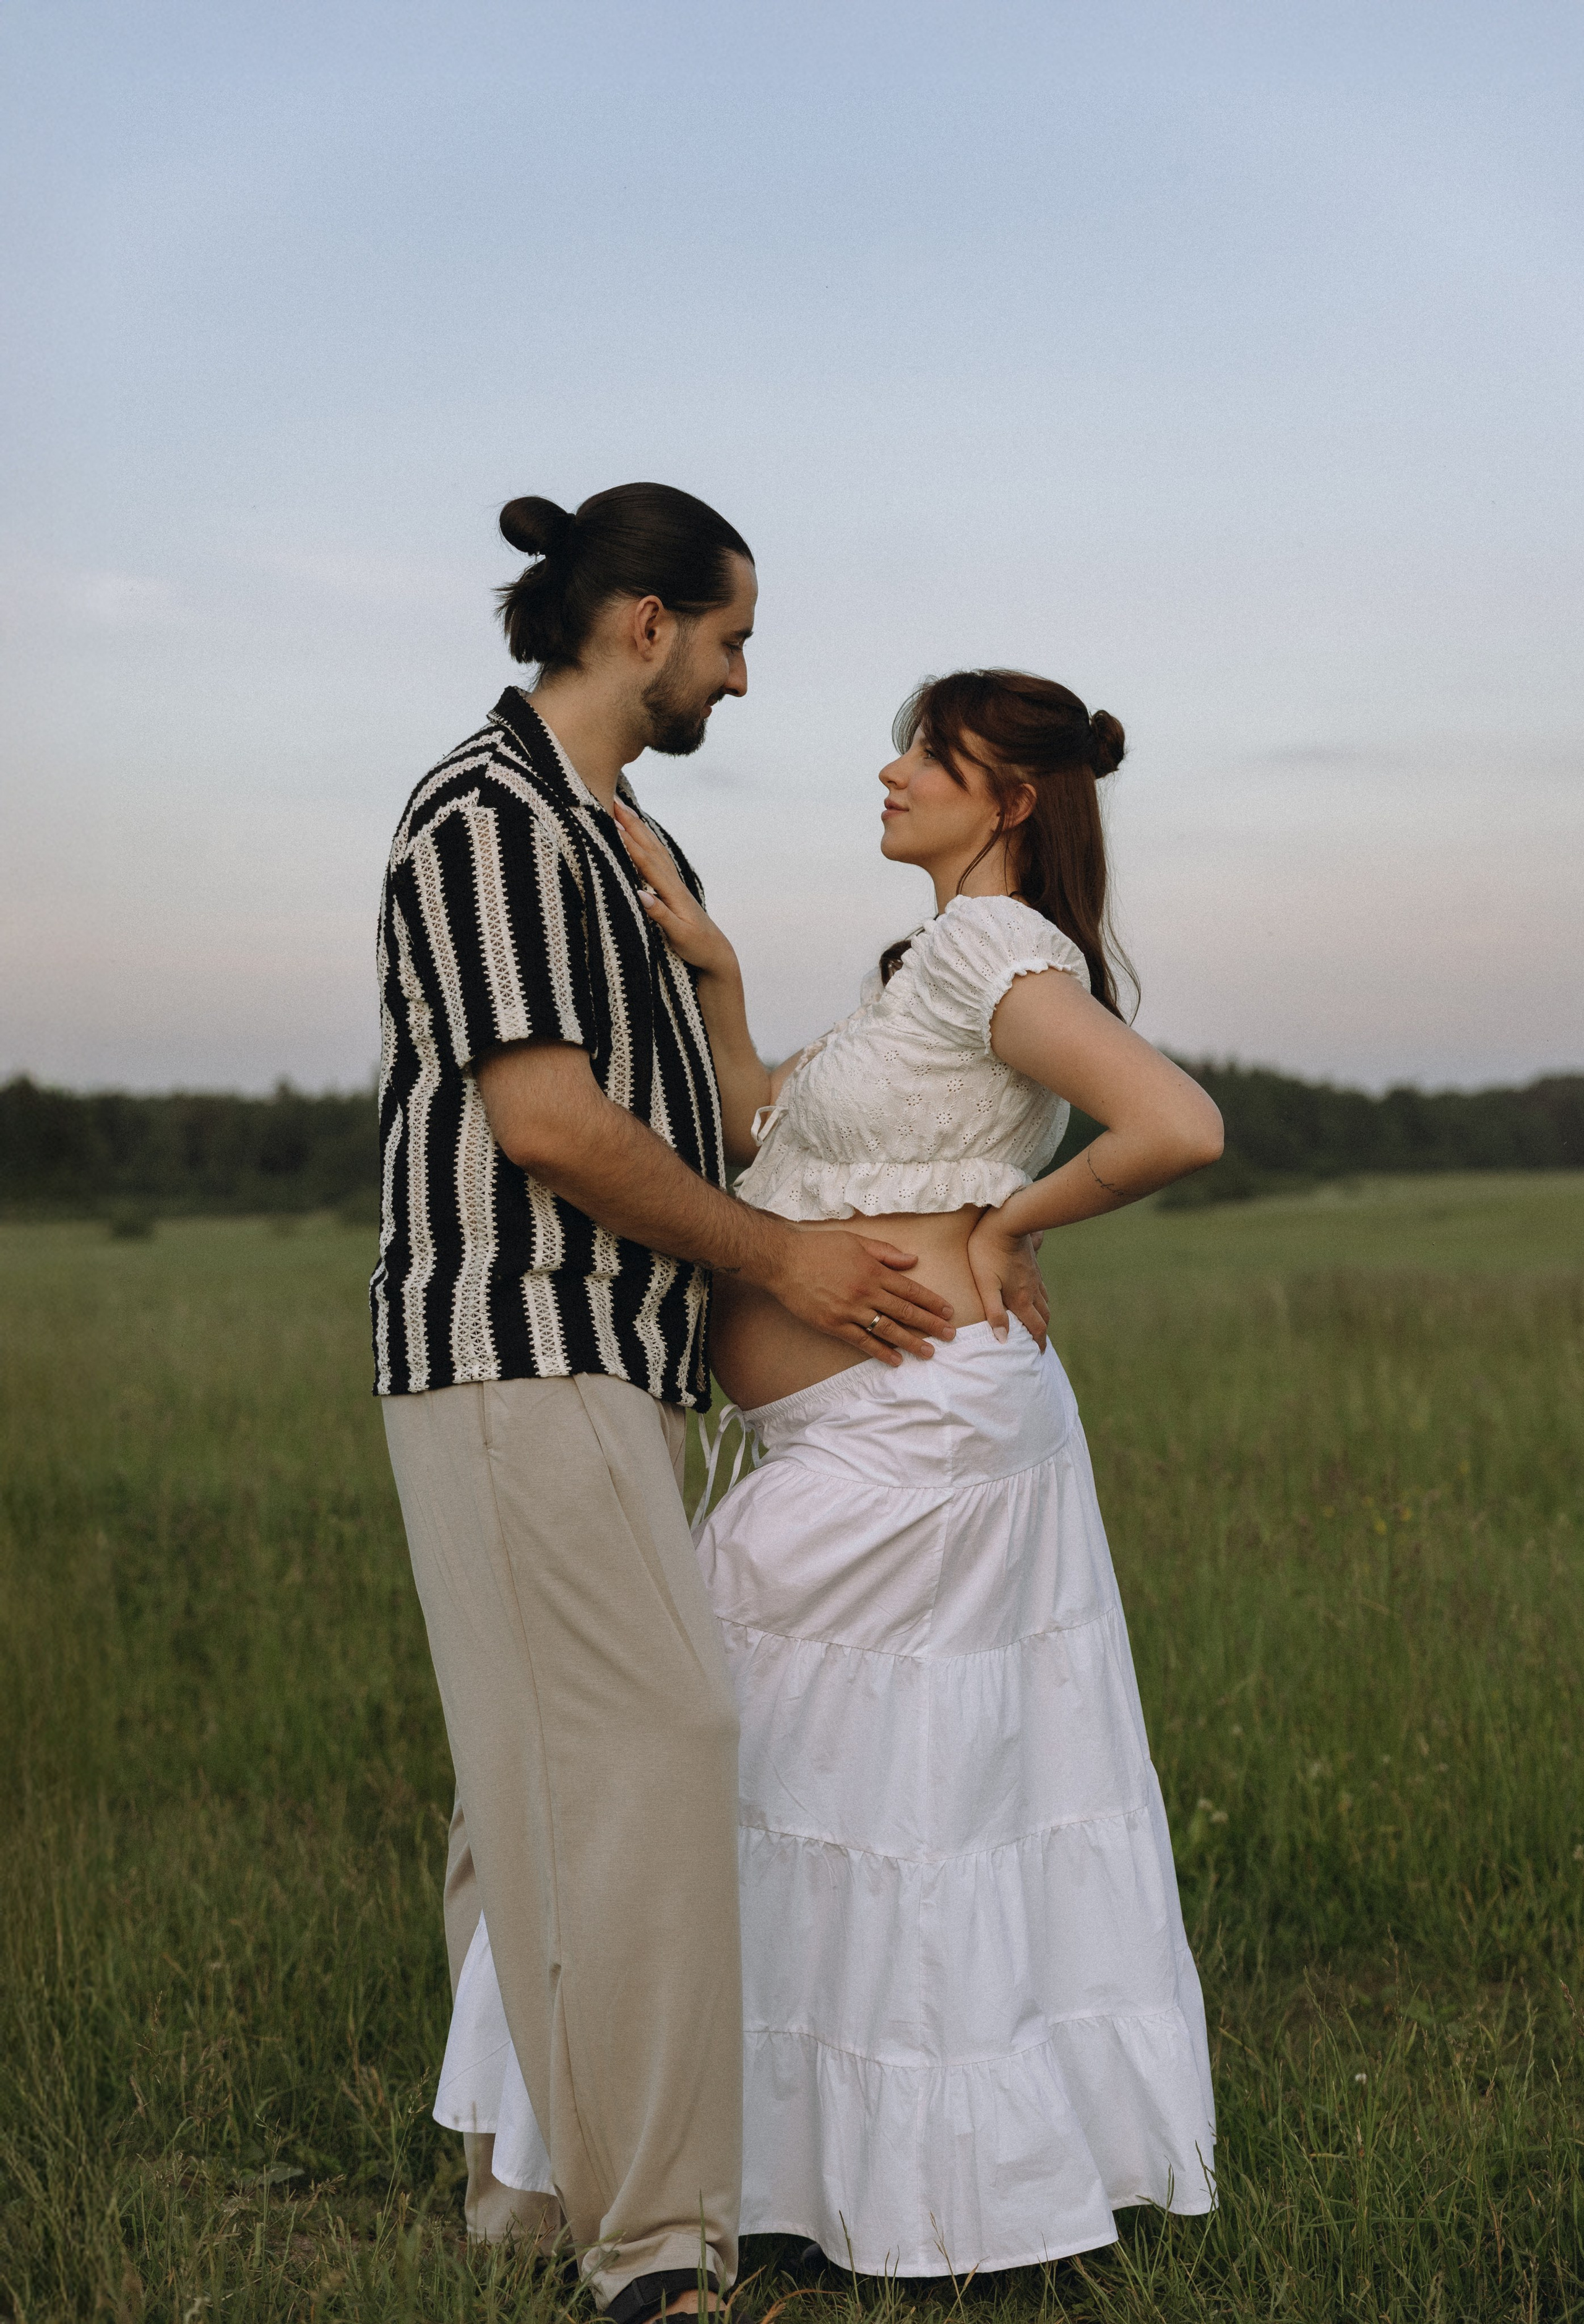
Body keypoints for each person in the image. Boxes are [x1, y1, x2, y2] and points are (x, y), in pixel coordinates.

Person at [442, 664, 1222, 2276]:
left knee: (751, 1755)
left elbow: (1172, 1123)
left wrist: (1009, 1224)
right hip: (875, 1432)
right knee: (845, 1789)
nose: (885, 776)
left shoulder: (1002, 948)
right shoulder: (925, 965)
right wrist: (723, 989)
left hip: (921, 1434)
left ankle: (865, 2190)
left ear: (1006, 798)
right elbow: (763, 1135)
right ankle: (827, 2186)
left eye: (920, 758)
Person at [372, 483, 954, 2323]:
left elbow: (703, 1114)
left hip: (605, 1357)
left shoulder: (626, 835)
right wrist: (778, 1272)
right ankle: (657, 2255)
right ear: (641, 622)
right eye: (733, 638)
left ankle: (527, 2199)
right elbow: (545, 1125)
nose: (746, 677)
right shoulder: (487, 817)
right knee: (659, 1749)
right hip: (508, 1343)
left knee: (535, 1789)